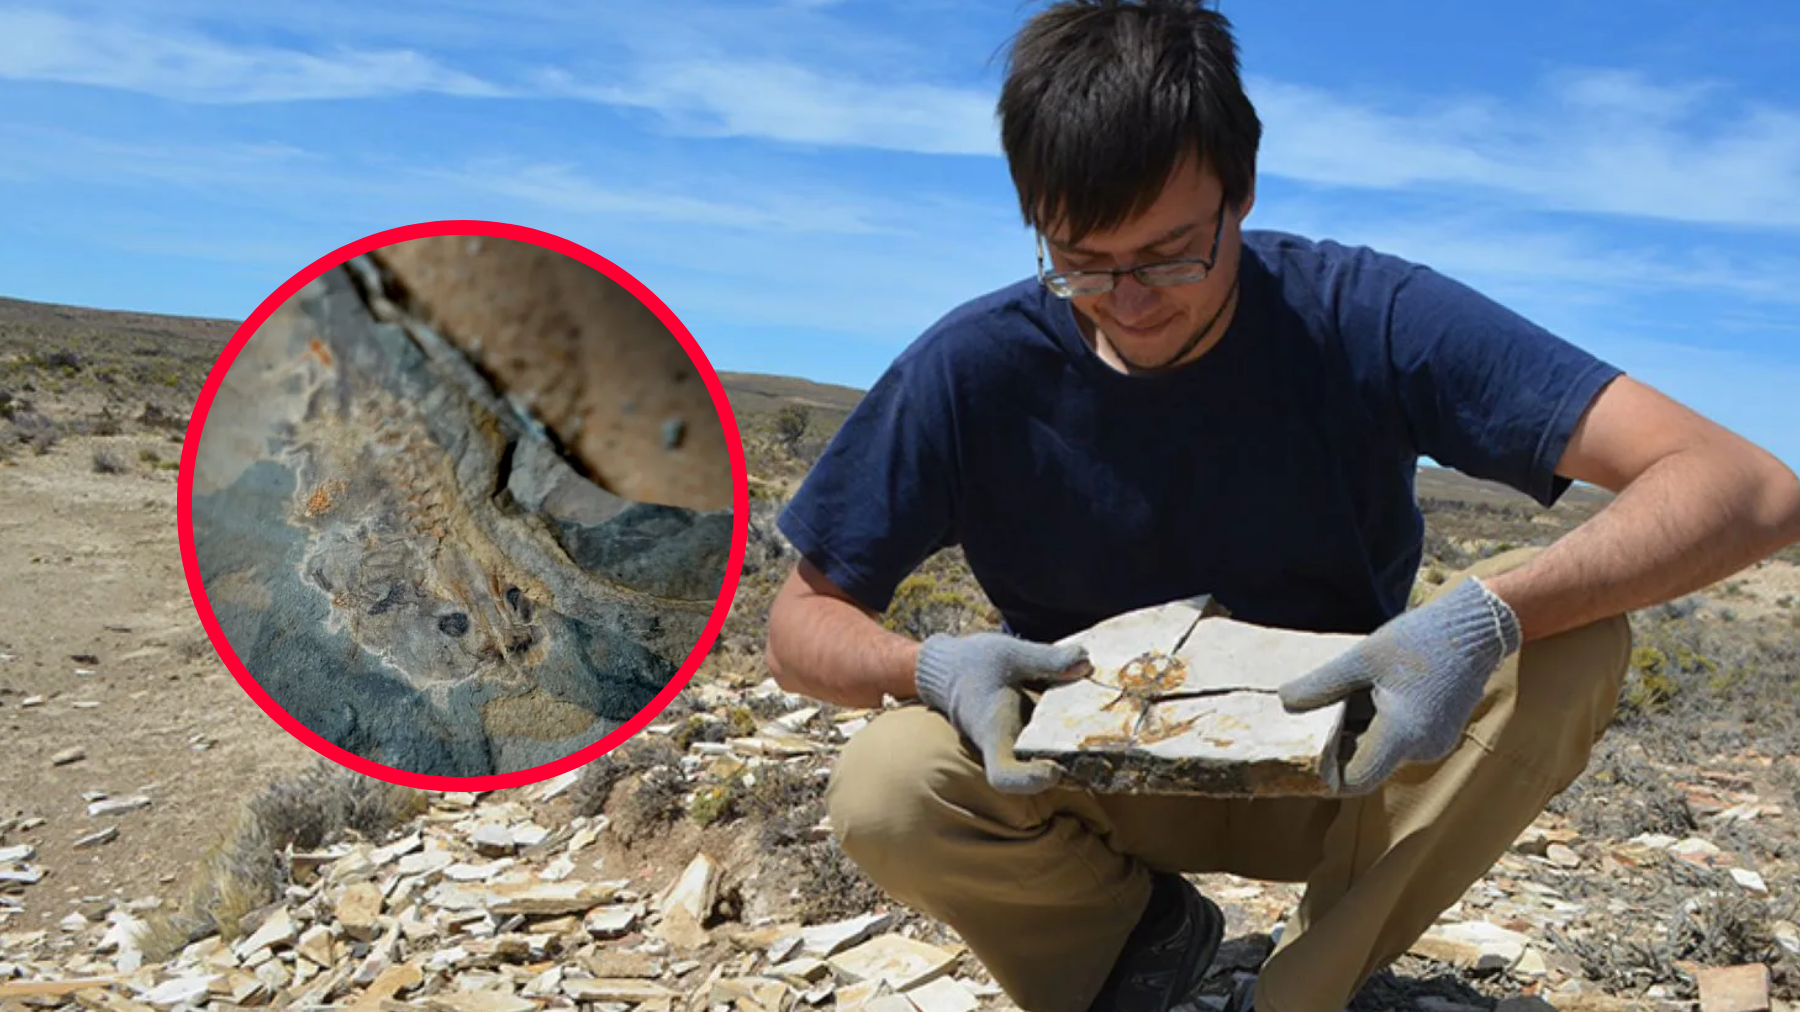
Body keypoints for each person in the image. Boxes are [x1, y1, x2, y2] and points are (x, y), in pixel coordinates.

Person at [762, 3, 1800, 1012]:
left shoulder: (1368, 313)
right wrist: (929, 665)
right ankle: (1124, 949)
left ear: (1241, 192)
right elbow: (799, 625)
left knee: (1572, 644)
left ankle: (1304, 990)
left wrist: (1481, 616)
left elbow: (1746, 485)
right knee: (888, 782)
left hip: (1341, 768)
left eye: (1172, 254)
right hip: (1085, 775)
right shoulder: (972, 365)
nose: (1131, 300)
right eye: (1081, 263)